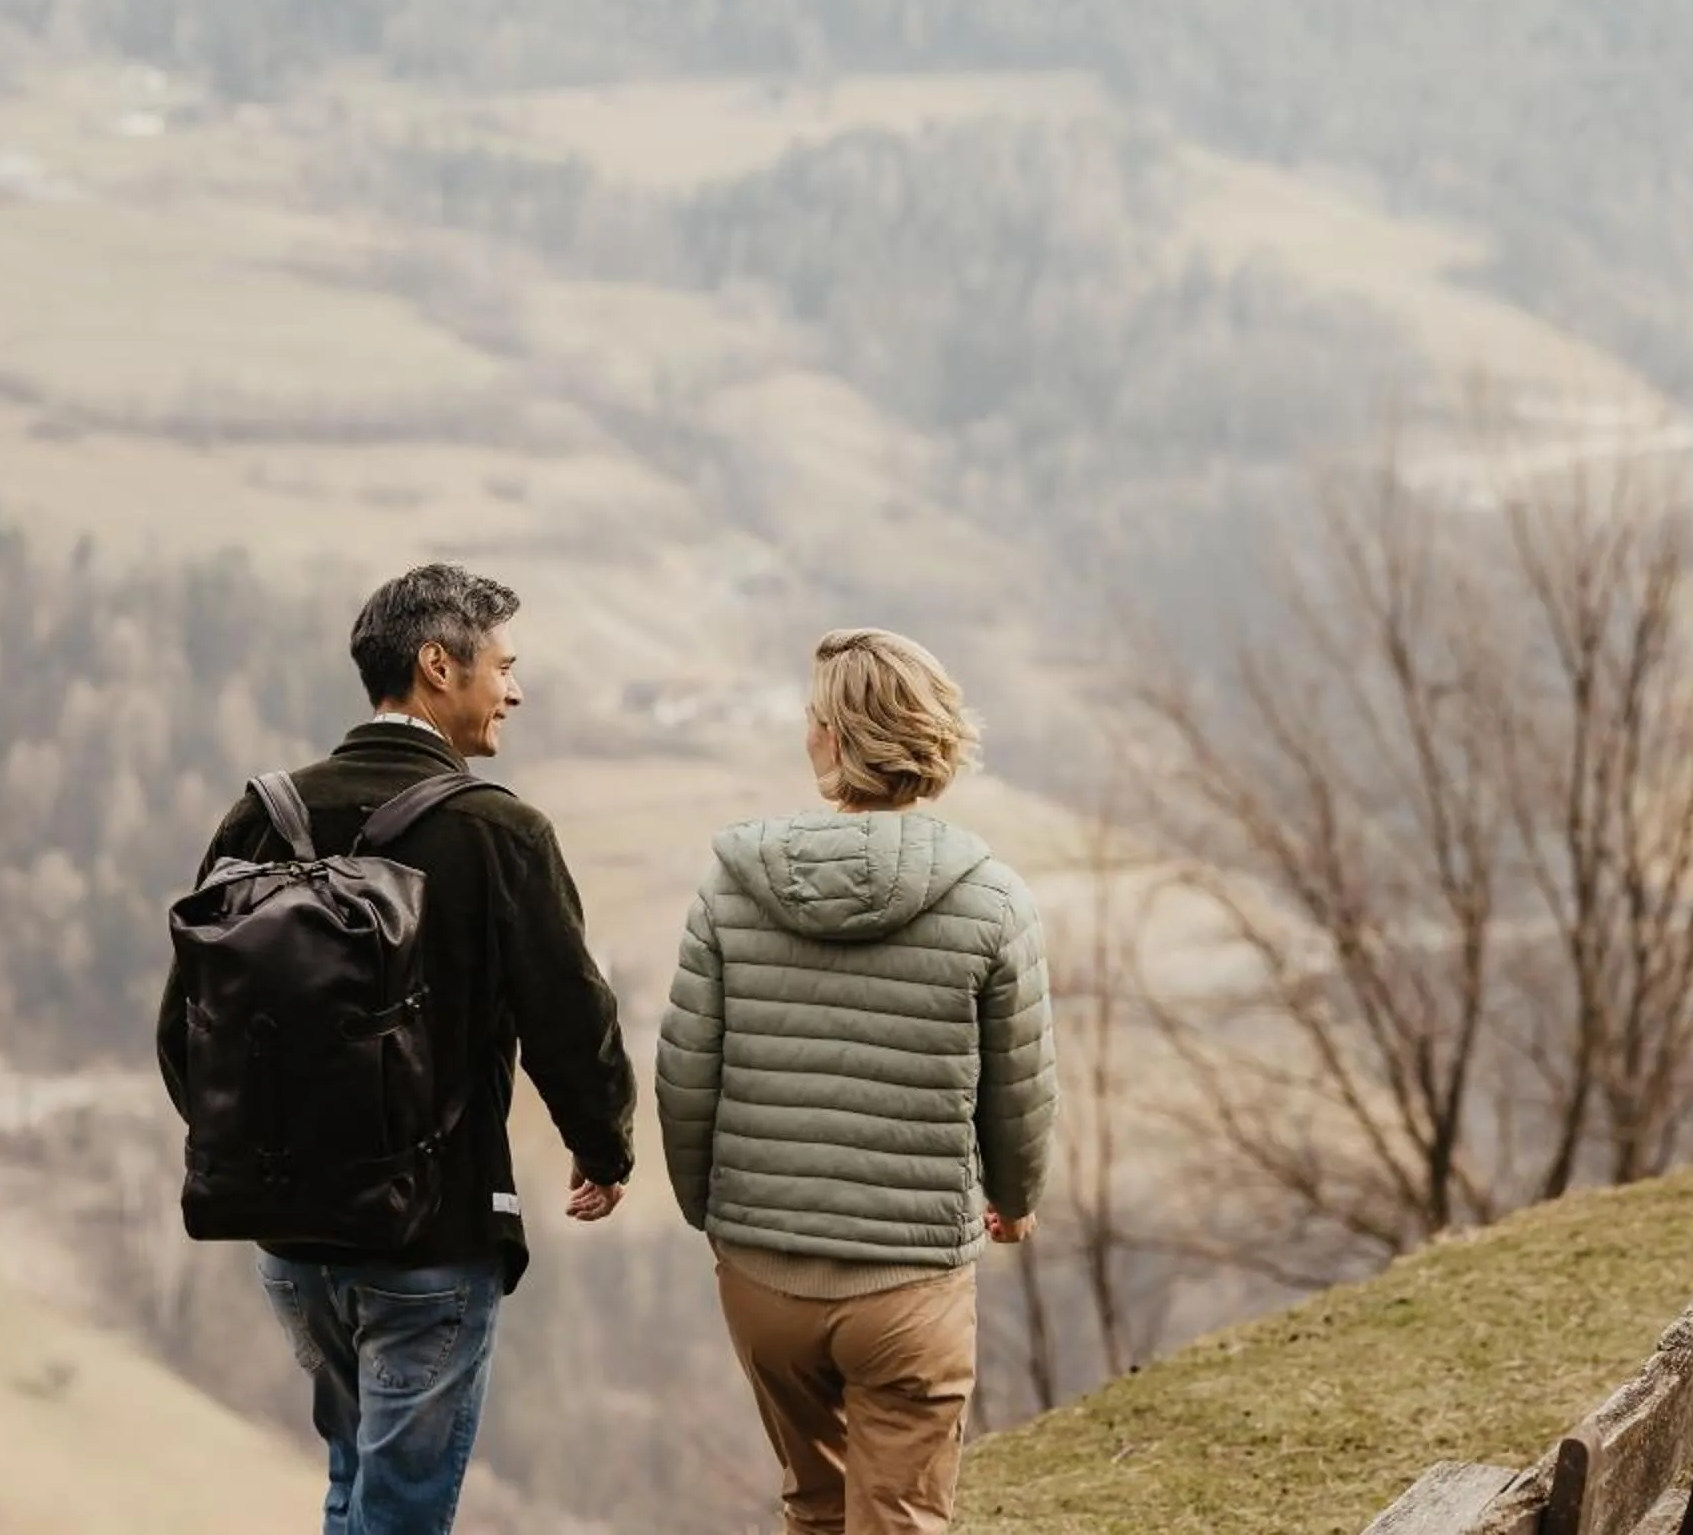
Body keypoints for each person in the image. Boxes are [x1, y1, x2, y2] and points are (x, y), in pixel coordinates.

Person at [161, 563, 637, 1535]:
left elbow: (188, 1027)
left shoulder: (262, 815)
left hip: (288, 1234)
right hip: (432, 1234)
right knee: (403, 1512)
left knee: (351, 1481)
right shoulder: (499, 831)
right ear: (437, 665)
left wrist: (263, 1146)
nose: (515, 689)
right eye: (503, 666)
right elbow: (567, 1014)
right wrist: (605, 1144)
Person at [656, 627, 1057, 1535]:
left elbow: (685, 1077)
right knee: (900, 1517)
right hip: (910, 1284)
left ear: (832, 740)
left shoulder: (730, 888)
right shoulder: (993, 899)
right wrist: (1016, 1197)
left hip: (761, 1280)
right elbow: (1019, 1086)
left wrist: (716, 1214)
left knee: (815, 1504)